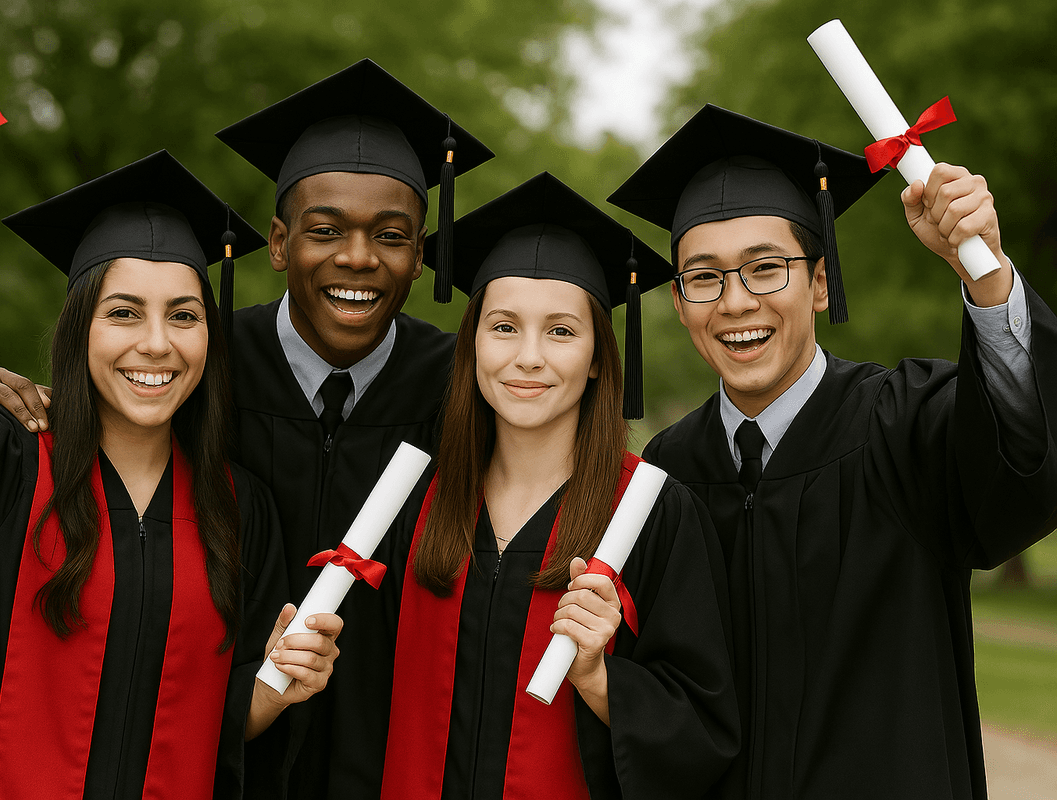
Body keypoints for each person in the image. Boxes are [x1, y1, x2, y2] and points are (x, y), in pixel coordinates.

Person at [0, 60, 493, 800]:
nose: (358, 258)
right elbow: (106, 405)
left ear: (420, 256)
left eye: (391, 235)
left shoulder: (465, 384)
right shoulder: (199, 358)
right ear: (277, 244)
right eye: (325, 230)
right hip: (213, 747)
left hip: (395, 745)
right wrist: (10, 397)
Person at [0, 151, 342, 799]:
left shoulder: (238, 509)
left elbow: (214, 730)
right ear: (78, 329)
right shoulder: (3, 460)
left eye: (183, 315)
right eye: (122, 313)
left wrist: (274, 689)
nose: (156, 343)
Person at [607, 104, 1057, 799]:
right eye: (704, 277)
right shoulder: (664, 475)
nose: (734, 302)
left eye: (766, 268)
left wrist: (987, 278)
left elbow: (1021, 450)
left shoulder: (905, 423)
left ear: (819, 283)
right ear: (678, 300)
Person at [380, 173, 740, 799]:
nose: (528, 357)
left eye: (561, 331)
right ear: (470, 347)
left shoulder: (651, 513)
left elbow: (705, 732)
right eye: (503, 327)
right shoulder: (412, 503)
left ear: (600, 355)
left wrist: (602, 679)